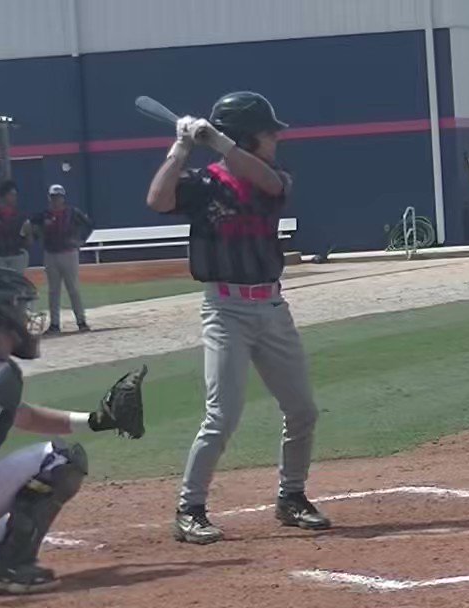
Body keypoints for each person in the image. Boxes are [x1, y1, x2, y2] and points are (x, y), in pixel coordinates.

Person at [146, 91, 330, 545]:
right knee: (222, 416)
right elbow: (157, 199)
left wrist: (221, 144)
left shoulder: (272, 180)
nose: (277, 140)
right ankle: (189, 509)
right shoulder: (204, 184)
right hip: (225, 310)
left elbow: (267, 182)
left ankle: (291, 497)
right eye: (270, 133)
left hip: (271, 307)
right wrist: (183, 145)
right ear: (250, 136)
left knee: (302, 409)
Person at [0, 267, 145, 594]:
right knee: (62, 459)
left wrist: (96, 420)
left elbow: (23, 417)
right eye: (22, 307)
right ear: (4, 313)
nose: (29, 317)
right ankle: (3, 567)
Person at [30, 185, 93, 335]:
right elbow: (32, 226)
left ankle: (81, 321)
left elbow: (88, 225)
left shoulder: (72, 213)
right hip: (51, 254)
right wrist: (38, 236)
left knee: (73, 289)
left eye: (58, 197)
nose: (55, 200)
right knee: (53, 291)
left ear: (63, 198)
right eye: (53, 197)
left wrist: (80, 241)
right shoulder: (44, 215)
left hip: (68, 253)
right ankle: (55, 324)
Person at [0, 181, 31, 274]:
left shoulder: (20, 216)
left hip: (16, 255)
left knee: (15, 283)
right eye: (11, 195)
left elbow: (26, 237)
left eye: (15, 195)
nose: (14, 198)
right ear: (4, 196)